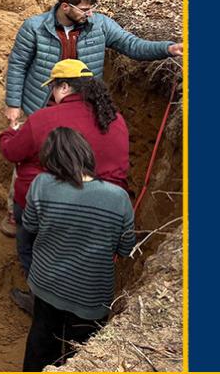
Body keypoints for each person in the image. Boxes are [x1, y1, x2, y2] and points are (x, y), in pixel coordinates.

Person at [0, 0, 180, 235]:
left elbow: (132, 45)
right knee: (29, 159)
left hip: (80, 105)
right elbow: (18, 65)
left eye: (92, 8)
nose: (91, 14)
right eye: (85, 10)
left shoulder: (100, 25)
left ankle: (72, 215)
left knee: (75, 158)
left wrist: (167, 48)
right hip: (39, 106)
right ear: (65, 7)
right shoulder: (34, 27)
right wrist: (13, 104)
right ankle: (16, 210)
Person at [0, 58, 131, 314]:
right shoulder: (115, 119)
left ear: (64, 87)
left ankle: (38, 297)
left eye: (53, 88)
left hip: (51, 206)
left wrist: (10, 132)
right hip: (106, 210)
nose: (52, 94)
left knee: (28, 240)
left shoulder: (44, 119)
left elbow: (12, 152)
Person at [20, 127, 136, 371]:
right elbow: (126, 249)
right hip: (90, 295)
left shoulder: (41, 184)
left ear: (50, 158)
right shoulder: (119, 198)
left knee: (41, 342)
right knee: (81, 354)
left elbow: (29, 225)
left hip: (46, 284)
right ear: (86, 154)